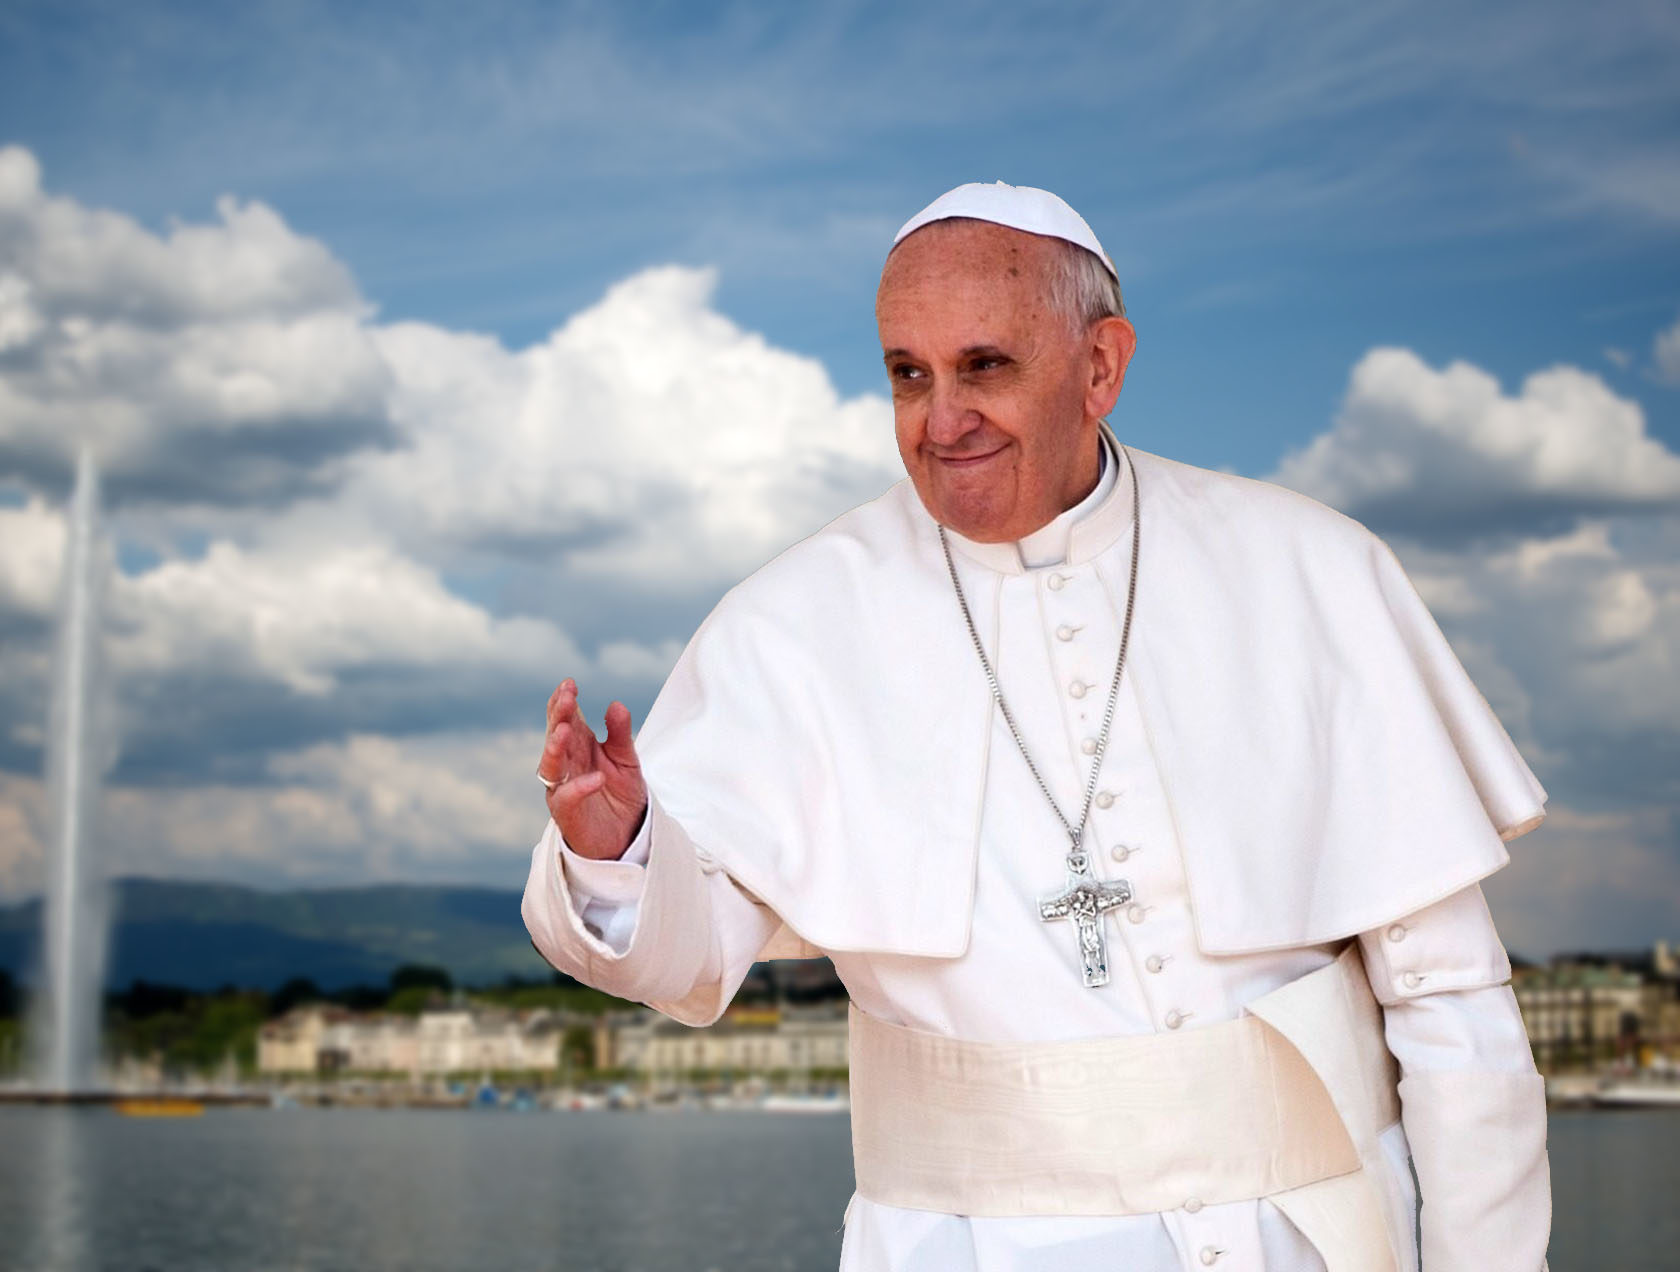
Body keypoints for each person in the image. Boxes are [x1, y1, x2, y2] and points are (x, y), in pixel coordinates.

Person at [521, 182, 1551, 1272]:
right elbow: (688, 961)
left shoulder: (1309, 569)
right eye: (907, 374)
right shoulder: (790, 623)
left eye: (986, 367)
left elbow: (1451, 1005)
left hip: (1323, 1237)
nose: (941, 419)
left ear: (1101, 367)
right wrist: (617, 849)